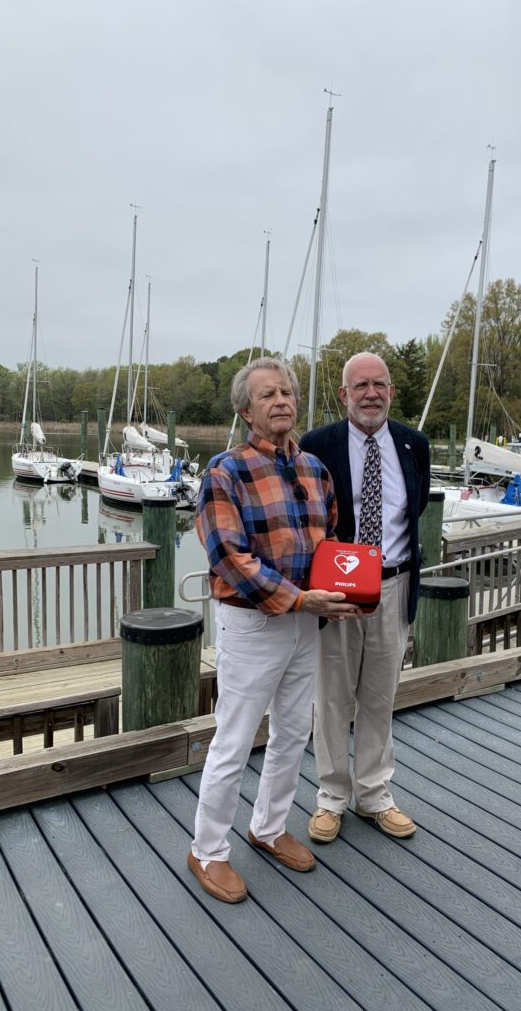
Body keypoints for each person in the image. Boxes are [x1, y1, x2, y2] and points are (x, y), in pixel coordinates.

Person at [188, 356, 361, 903]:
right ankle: (208, 850)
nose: (282, 400)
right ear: (245, 410)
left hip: (308, 621)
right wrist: (295, 597)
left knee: (293, 733)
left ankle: (268, 826)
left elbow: (330, 542)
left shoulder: (314, 468)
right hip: (253, 624)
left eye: (286, 391)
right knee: (235, 739)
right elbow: (227, 555)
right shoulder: (225, 471)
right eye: (267, 395)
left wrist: (339, 594)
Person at [300, 351, 430, 843]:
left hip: (393, 586)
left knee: (380, 695)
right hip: (336, 589)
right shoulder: (317, 446)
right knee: (332, 696)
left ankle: (374, 795)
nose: (371, 393)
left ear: (391, 392)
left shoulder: (413, 445)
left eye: (380, 384)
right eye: (361, 386)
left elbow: (413, 509)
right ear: (343, 395)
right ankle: (331, 797)